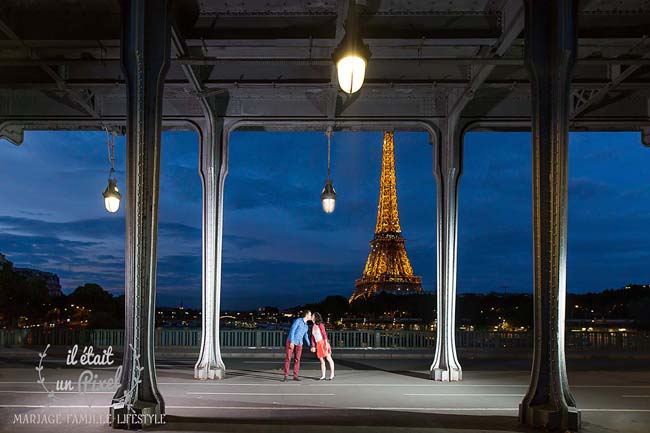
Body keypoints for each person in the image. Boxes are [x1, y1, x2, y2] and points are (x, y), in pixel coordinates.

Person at [283, 310, 312, 381]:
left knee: (297, 359)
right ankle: (286, 375)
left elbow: (306, 336)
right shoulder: (298, 321)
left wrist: (310, 346)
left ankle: (295, 376)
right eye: (310, 315)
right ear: (306, 315)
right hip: (291, 341)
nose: (311, 316)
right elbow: (292, 330)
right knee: (288, 358)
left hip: (299, 343)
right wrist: (292, 342)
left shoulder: (306, 326)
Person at [310, 312, 335, 380]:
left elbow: (324, 334)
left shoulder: (320, 325)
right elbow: (312, 337)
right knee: (321, 360)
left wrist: (326, 343)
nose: (311, 316)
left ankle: (332, 374)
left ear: (315, 317)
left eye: (312, 315)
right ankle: (323, 375)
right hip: (318, 344)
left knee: (328, 358)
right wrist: (313, 346)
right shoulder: (313, 326)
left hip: (323, 342)